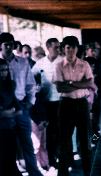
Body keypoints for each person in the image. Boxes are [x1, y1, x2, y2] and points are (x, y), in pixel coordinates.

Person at [0, 32, 46, 176]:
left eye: (11, 43)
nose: (9, 46)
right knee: (9, 148)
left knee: (27, 145)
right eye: (5, 43)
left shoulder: (22, 62)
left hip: (21, 106)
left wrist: (29, 103)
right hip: (4, 109)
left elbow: (31, 85)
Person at [53, 35, 94, 176]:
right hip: (66, 104)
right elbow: (60, 88)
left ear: (77, 49)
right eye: (68, 47)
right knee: (64, 143)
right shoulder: (58, 65)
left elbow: (89, 83)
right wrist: (79, 84)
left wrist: (70, 83)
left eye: (73, 47)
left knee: (85, 143)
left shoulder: (84, 64)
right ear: (64, 49)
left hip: (82, 104)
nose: (70, 50)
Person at [32, 38, 62, 169]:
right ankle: (50, 159)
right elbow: (32, 79)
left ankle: (62, 158)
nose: (58, 49)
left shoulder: (63, 61)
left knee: (60, 131)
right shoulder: (40, 63)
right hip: (45, 103)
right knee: (48, 133)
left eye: (59, 47)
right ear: (48, 47)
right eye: (56, 47)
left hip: (61, 102)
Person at [0, 58, 22, 176]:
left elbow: (18, 109)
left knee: (10, 167)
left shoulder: (9, 86)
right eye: (1, 70)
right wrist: (6, 112)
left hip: (10, 129)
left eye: (5, 70)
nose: (3, 73)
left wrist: (6, 112)